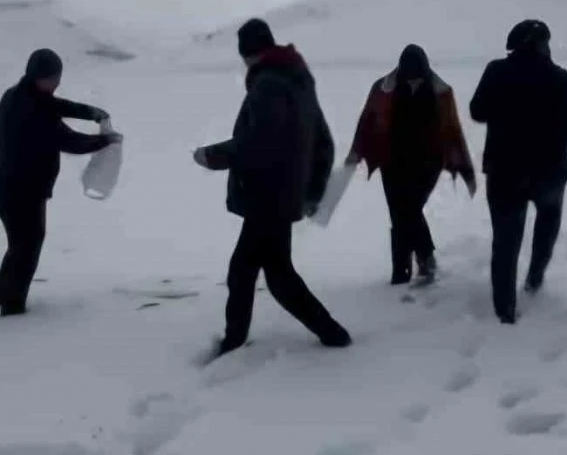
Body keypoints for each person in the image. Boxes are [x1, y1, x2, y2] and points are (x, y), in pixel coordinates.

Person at [194, 19, 352, 357]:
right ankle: (327, 333)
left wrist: (211, 155)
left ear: (249, 53)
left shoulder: (269, 83)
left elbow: (259, 142)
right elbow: (323, 140)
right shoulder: (296, 77)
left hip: (268, 193)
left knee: (258, 274)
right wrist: (312, 188)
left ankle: (238, 341)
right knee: (268, 272)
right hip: (282, 192)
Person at [0, 48, 120, 317]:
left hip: (9, 188)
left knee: (18, 245)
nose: (57, 82)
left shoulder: (19, 95)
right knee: (27, 247)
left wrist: (91, 112)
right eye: (53, 78)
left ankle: (1, 295)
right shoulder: (30, 110)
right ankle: (12, 309)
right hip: (23, 192)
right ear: (38, 77)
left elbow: (57, 106)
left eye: (58, 77)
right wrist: (104, 140)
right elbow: (68, 140)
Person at [469, 20, 567, 324]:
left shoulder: (496, 71)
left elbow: (477, 111)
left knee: (505, 242)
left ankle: (505, 310)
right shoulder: (559, 77)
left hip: (504, 172)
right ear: (542, 45)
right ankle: (534, 279)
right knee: (546, 228)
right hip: (549, 172)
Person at [345, 44, 476, 285]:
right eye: (409, 73)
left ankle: (424, 259)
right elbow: (367, 121)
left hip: (428, 162)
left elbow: (452, 129)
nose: (413, 78)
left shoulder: (440, 91)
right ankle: (401, 271)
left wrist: (465, 167)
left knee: (409, 210)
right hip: (392, 160)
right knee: (399, 214)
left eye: (417, 73)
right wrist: (356, 152)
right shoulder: (383, 88)